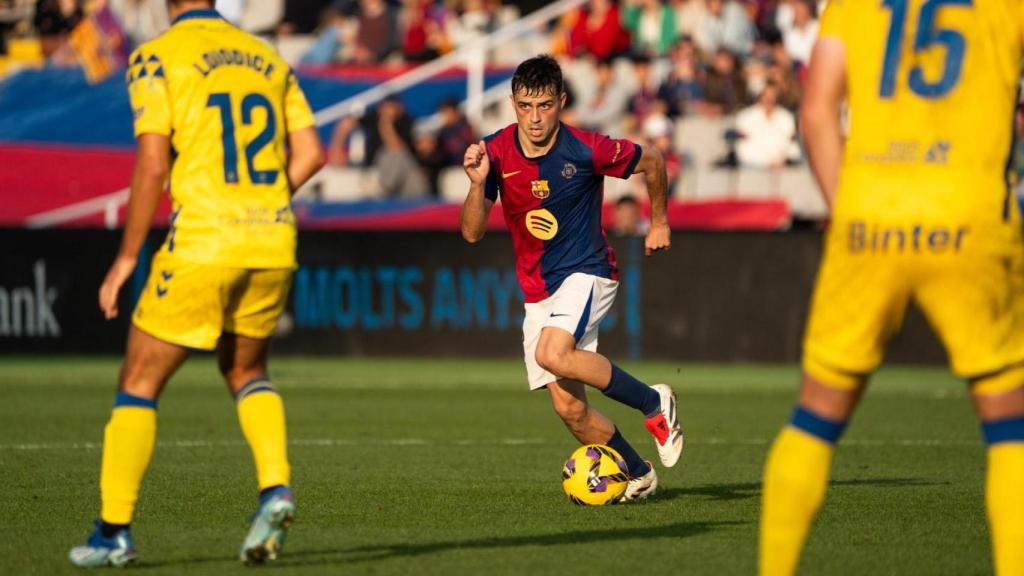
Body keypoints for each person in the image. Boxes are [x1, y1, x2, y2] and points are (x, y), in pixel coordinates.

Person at [759, 2, 1024, 575]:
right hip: (971, 215)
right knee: (1010, 425)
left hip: (870, 218)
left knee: (814, 419)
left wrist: (850, 213)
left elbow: (816, 113)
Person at [68, 0, 324, 567]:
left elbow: (153, 163)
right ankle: (275, 488)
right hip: (272, 238)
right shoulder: (266, 56)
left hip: (206, 240)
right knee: (246, 370)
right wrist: (261, 203)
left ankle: (113, 532)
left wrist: (126, 257)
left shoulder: (157, 56)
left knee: (139, 379)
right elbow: (312, 153)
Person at [461, 55, 684, 501]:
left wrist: (658, 221)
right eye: (525, 106)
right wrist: (476, 183)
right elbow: (471, 233)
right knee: (570, 410)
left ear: (561, 102)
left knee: (552, 352)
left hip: (589, 271)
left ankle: (653, 402)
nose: (534, 117)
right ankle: (638, 472)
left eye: (544, 105)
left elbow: (653, 160)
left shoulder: (586, 148)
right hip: (537, 291)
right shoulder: (495, 152)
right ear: (513, 103)